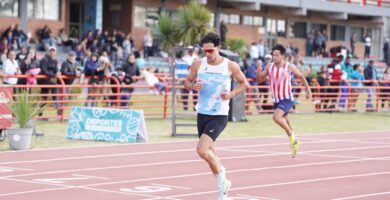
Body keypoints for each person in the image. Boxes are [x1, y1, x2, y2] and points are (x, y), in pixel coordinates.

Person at [184, 32, 249, 200]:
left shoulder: (230, 65)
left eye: (211, 50)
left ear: (218, 47)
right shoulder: (198, 64)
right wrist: (193, 86)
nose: (208, 54)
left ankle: (223, 177)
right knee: (210, 154)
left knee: (201, 149)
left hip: (219, 115)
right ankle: (222, 189)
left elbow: (244, 83)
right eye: (205, 51)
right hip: (202, 113)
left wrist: (232, 93)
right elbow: (187, 82)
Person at [256, 44, 312, 158]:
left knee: (276, 118)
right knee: (288, 123)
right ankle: (295, 143)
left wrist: (308, 90)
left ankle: (291, 136)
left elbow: (301, 77)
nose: (274, 57)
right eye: (273, 55)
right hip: (276, 99)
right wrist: (259, 70)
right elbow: (259, 79)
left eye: (277, 55)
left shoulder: (289, 67)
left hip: (287, 98)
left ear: (283, 56)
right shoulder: (269, 66)